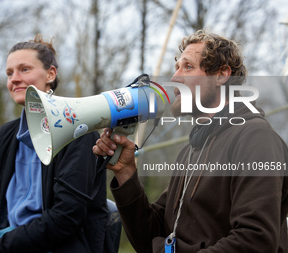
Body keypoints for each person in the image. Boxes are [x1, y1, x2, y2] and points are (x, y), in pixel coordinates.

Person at [93, 29, 288, 252]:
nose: (175, 78)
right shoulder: (190, 151)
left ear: (222, 75)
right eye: (177, 67)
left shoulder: (256, 139)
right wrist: (125, 173)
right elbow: (153, 235)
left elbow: (255, 241)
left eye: (188, 67)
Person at [0, 35, 114, 253]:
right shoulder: (6, 135)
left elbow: (65, 217)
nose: (14, 79)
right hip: (4, 241)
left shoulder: (79, 132)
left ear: (50, 74)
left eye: (24, 69)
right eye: (9, 73)